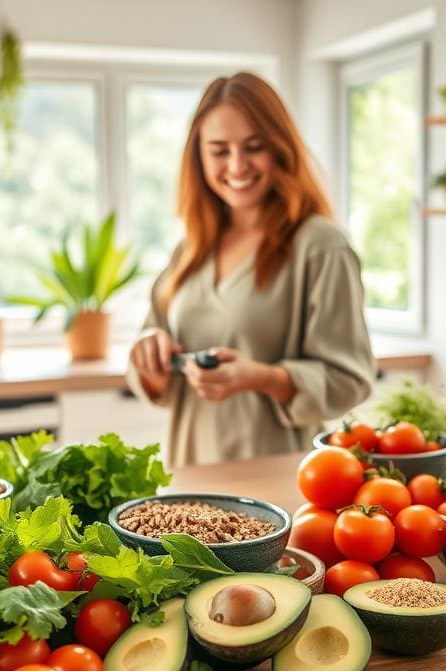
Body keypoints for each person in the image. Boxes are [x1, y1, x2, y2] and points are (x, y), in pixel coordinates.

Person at [126, 71, 376, 467]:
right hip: (189, 478)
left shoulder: (320, 245)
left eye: (254, 146)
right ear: (199, 157)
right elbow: (155, 372)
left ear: (280, 148)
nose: (237, 165)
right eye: (219, 150)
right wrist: (151, 358)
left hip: (278, 478)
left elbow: (351, 380)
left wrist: (261, 377)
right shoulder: (189, 250)